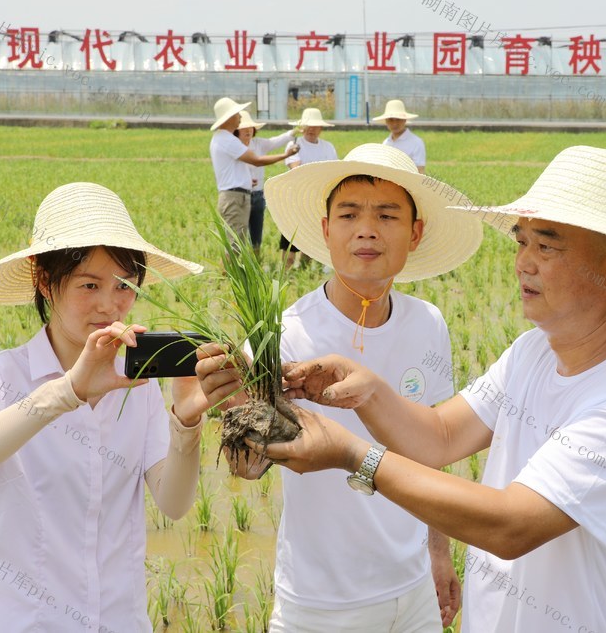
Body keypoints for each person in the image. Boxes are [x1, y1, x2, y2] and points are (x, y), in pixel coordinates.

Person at [262, 146, 606, 633]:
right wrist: (367, 390)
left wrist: (354, 454)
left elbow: (510, 525)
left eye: (546, 247)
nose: (523, 263)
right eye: (521, 242)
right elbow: (439, 436)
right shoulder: (534, 351)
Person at [196, 144, 483, 631]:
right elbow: (248, 470)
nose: (366, 230)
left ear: (415, 233)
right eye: (349, 215)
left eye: (387, 215)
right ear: (327, 230)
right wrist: (236, 407)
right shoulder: (282, 334)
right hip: (319, 602)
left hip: (412, 588)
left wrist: (439, 554)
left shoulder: (427, 323)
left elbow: (432, 453)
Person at [0, 182, 211, 632]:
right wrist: (66, 392)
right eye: (88, 285)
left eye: (124, 286)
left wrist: (186, 423)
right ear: (43, 280)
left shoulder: (137, 386)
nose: (109, 305)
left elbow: (173, 503)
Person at [209, 97, 297, 242]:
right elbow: (256, 160)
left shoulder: (223, 138)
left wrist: (246, 180)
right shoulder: (227, 140)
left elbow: (234, 169)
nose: (240, 117)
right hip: (234, 198)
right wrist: (286, 155)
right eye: (237, 113)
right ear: (229, 117)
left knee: (239, 243)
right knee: (236, 245)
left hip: (237, 196)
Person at [279, 107, 338, 268]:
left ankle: (304, 271)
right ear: (302, 127)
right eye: (308, 126)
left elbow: (334, 172)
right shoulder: (294, 144)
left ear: (321, 128)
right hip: (296, 199)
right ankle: (287, 271)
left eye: (315, 126)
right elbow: (295, 168)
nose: (311, 129)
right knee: (290, 238)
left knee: (312, 237)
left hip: (318, 199)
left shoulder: (328, 147)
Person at [233, 110, 298, 252]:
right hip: (240, 195)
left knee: (256, 233)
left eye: (250, 127)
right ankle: (237, 261)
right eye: (244, 128)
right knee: (238, 235)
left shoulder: (259, 144)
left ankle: (256, 259)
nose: (248, 130)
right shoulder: (233, 147)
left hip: (257, 195)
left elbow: (275, 141)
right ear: (236, 130)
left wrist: (293, 133)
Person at [373, 99, 426, 174]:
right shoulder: (386, 143)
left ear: (405, 120)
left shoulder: (416, 142)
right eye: (391, 120)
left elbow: (420, 170)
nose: (395, 124)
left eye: (398, 119)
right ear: (386, 121)